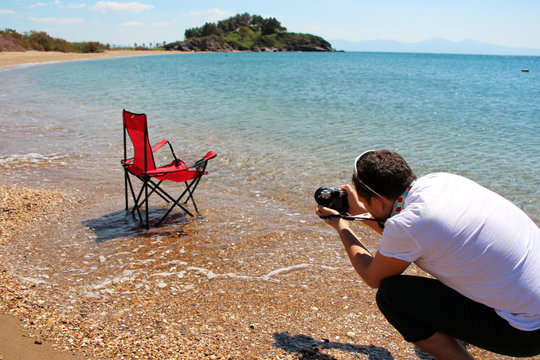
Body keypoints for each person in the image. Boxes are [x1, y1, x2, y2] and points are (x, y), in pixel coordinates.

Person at [315, 149, 540, 360]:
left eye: (366, 202)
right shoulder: (443, 181)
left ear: (377, 201)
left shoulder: (408, 225)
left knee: (392, 296)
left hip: (526, 334)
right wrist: (366, 212)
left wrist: (342, 225)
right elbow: (413, 235)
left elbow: (372, 276)